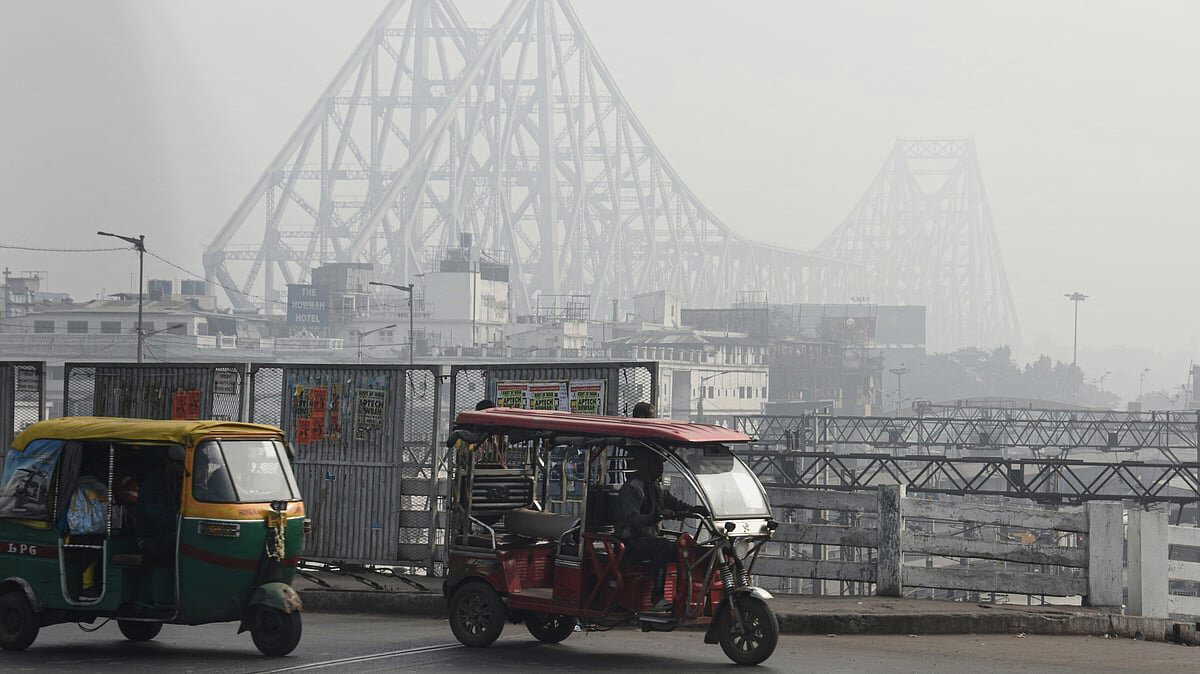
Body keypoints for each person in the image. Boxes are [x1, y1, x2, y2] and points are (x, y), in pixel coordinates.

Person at [614, 447, 708, 611]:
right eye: (656, 463)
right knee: (663, 547)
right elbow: (633, 519)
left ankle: (686, 596)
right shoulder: (631, 489)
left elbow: (676, 504)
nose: (660, 468)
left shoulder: (655, 488)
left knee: (687, 550)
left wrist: (696, 510)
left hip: (649, 539)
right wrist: (655, 517)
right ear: (644, 464)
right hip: (631, 543)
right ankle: (657, 597)